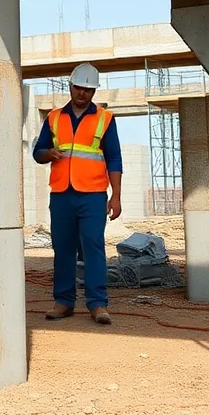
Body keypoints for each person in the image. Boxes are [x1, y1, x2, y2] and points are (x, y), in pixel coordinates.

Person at [33, 62, 122, 325]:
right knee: (63, 248)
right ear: (70, 87)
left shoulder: (105, 119)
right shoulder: (53, 118)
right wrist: (48, 154)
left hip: (93, 194)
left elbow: (114, 159)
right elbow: (38, 152)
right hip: (61, 193)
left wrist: (115, 196)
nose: (83, 93)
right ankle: (64, 302)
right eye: (78, 88)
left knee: (93, 247)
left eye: (88, 90)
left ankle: (98, 304)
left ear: (94, 92)